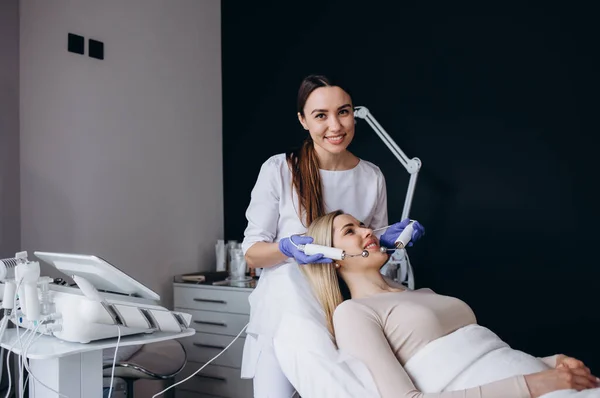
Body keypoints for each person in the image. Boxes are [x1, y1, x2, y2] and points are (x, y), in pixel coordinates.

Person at [240, 74, 425, 397]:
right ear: (303, 120)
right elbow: (252, 253)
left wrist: (388, 242)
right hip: (288, 307)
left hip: (346, 307)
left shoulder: (371, 176)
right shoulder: (280, 170)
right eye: (320, 116)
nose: (336, 126)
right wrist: (286, 249)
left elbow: (370, 254)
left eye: (344, 111)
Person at [300, 209, 599, 398]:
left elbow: (489, 357)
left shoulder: (419, 293)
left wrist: (554, 363)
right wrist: (537, 384)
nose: (368, 231)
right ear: (331, 259)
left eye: (364, 225)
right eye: (350, 231)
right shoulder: (353, 313)